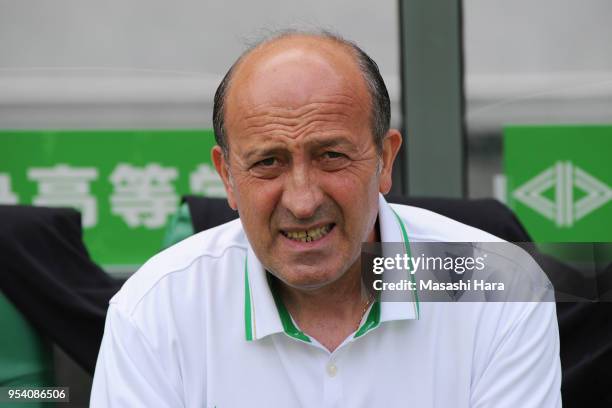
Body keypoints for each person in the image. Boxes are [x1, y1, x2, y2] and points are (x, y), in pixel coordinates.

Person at [90, 30, 561, 407]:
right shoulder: (156, 311)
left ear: (384, 159)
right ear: (227, 177)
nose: (302, 201)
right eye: (267, 162)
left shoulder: (494, 287)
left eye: (331, 155)